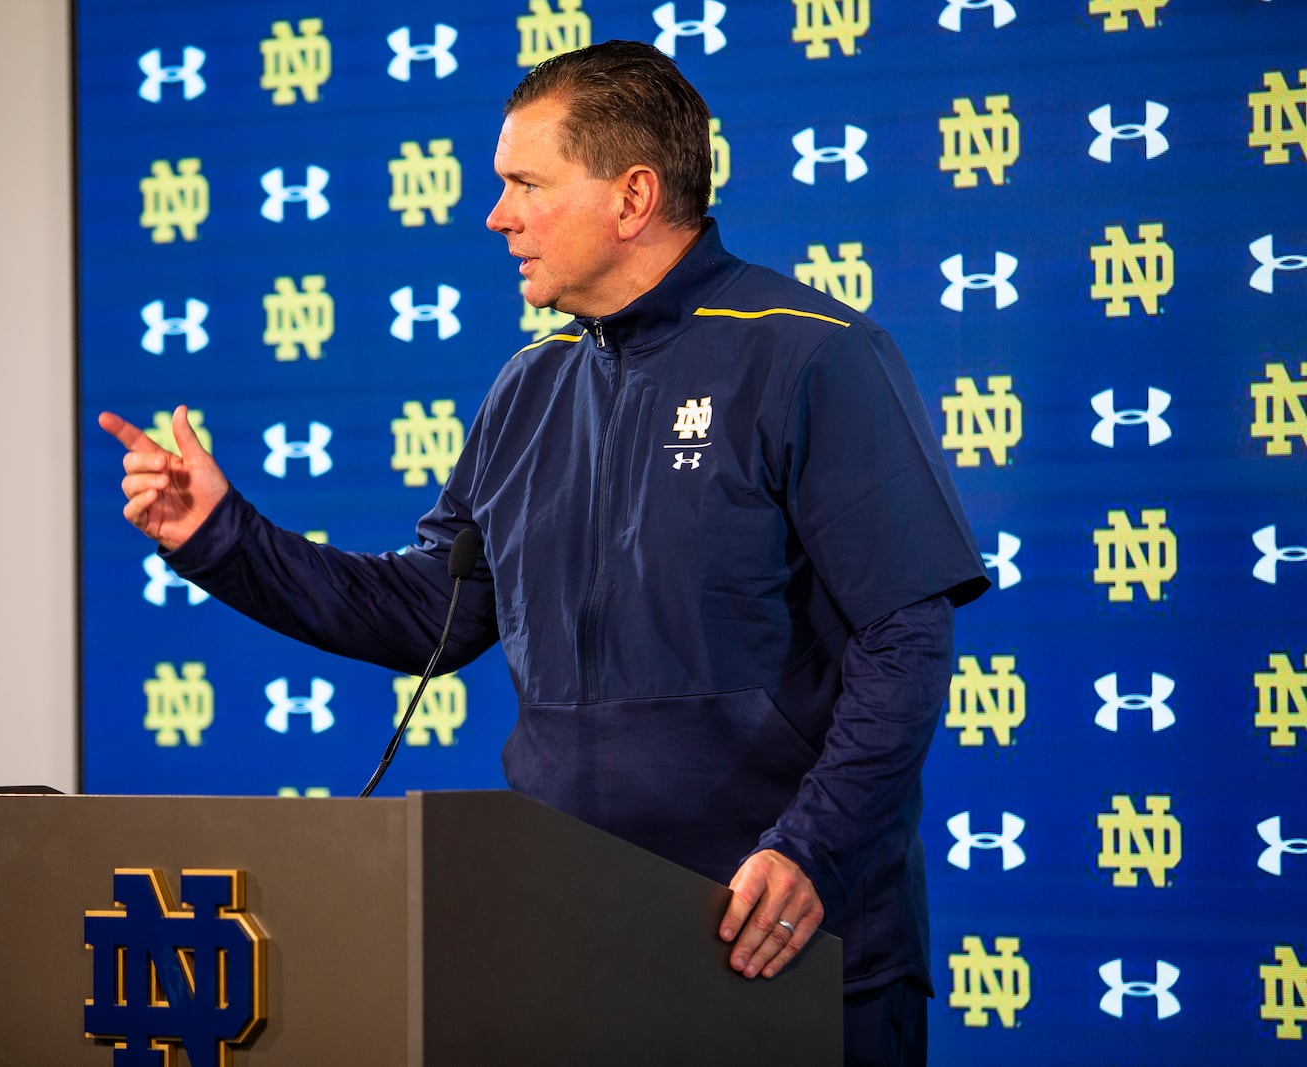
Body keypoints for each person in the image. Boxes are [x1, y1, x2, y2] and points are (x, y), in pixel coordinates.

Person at [101, 40, 988, 1067]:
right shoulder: (525, 388)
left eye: (525, 183)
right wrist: (219, 535)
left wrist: (810, 848)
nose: (498, 216)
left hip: (784, 947)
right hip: (572, 943)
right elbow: (421, 612)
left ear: (633, 195)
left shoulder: (813, 353)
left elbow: (904, 636)